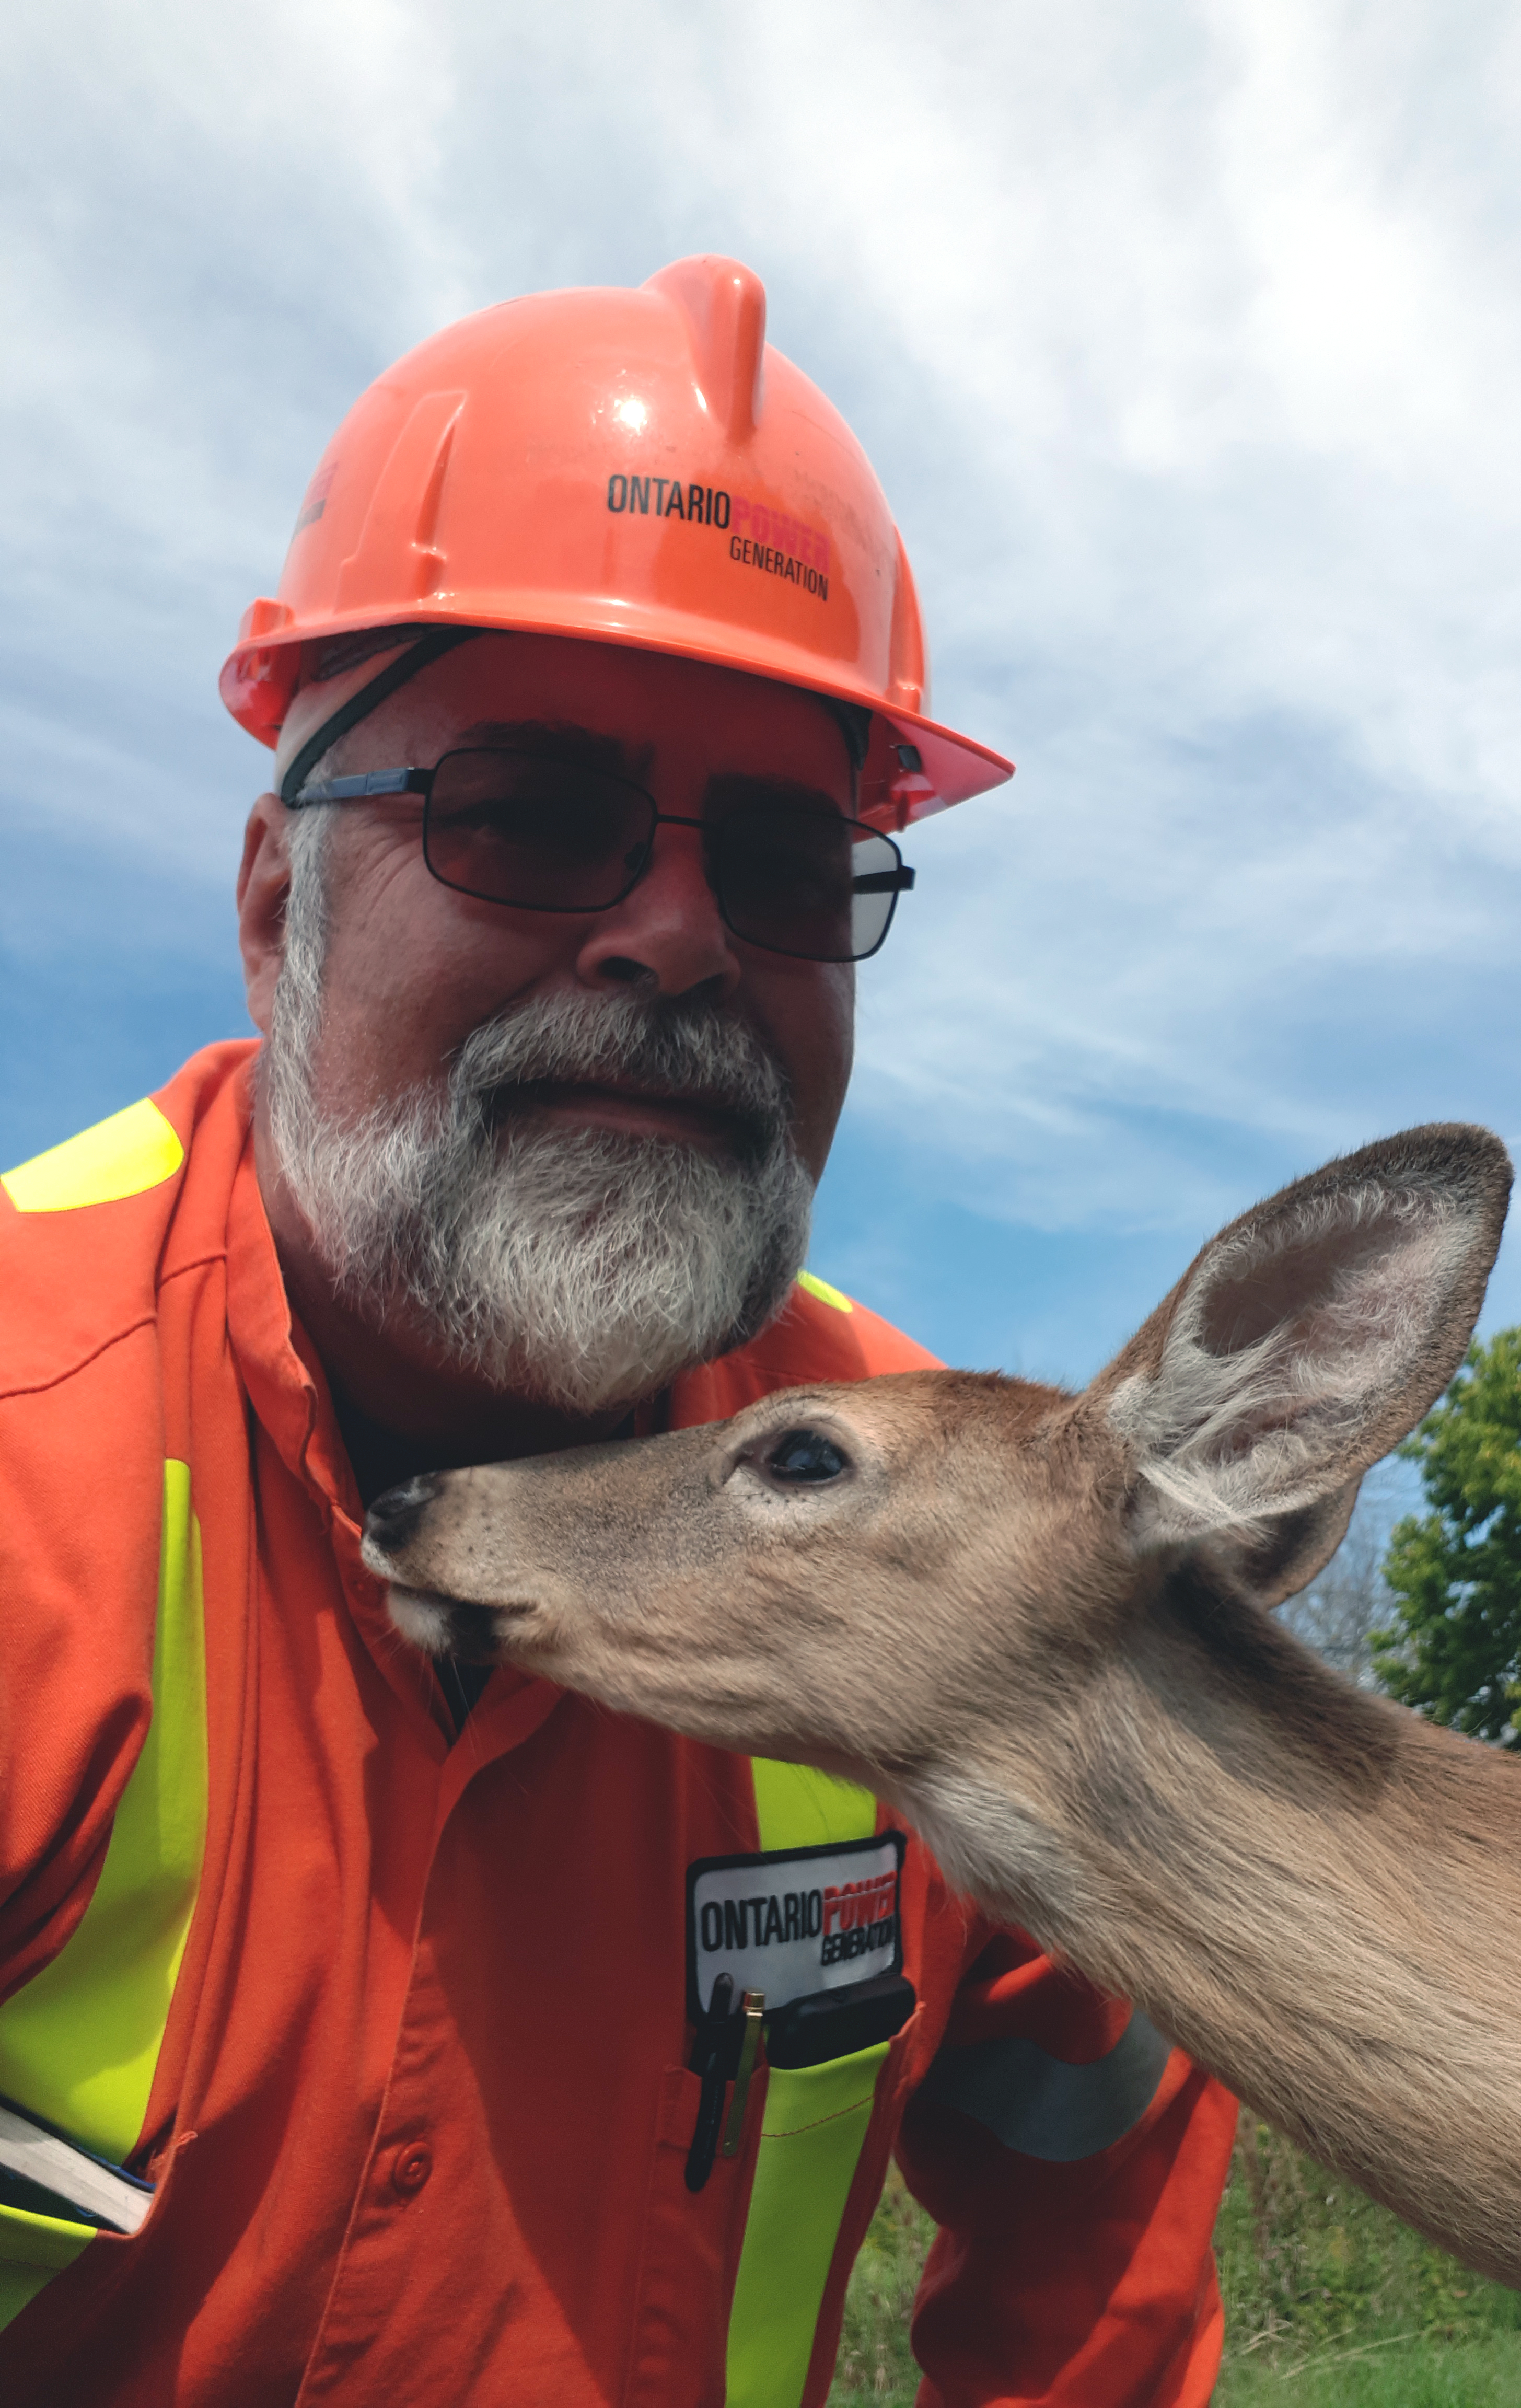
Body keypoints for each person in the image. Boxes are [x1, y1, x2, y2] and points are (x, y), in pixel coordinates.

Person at [0, 257, 1240, 2405]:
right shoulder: (34, 1452)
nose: (671, 931)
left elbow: (1109, 2219)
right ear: (280, 907)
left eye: (781, 860)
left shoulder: (971, 1546)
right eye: (528, 814)